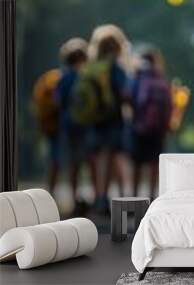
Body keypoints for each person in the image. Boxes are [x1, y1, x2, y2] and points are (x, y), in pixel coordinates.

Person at [86, 24, 130, 210]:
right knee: (116, 157)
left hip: (94, 120)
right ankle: (121, 199)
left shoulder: (91, 68)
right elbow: (125, 93)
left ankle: (100, 197)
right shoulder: (116, 69)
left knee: (100, 159)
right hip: (113, 119)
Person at [56, 37, 99, 214]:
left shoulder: (63, 77)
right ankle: (97, 199)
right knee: (91, 162)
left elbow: (58, 101)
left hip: (68, 125)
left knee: (73, 164)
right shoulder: (86, 77)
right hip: (87, 126)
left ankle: (74, 200)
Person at [131, 48, 172, 200]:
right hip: (158, 130)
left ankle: (134, 198)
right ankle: (152, 197)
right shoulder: (160, 79)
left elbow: (131, 100)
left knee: (137, 164)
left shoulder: (137, 78)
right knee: (155, 163)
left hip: (139, 128)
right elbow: (169, 105)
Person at [32, 68, 62, 194]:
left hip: (49, 125)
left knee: (54, 159)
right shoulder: (58, 79)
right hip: (58, 125)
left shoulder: (50, 77)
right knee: (61, 160)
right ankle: (52, 191)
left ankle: (51, 191)